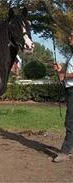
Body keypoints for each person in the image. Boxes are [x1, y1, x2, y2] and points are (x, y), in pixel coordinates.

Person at [53, 30, 73, 162]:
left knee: (70, 122)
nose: (69, 37)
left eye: (72, 35)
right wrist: (61, 70)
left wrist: (63, 75)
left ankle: (65, 152)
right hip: (70, 90)